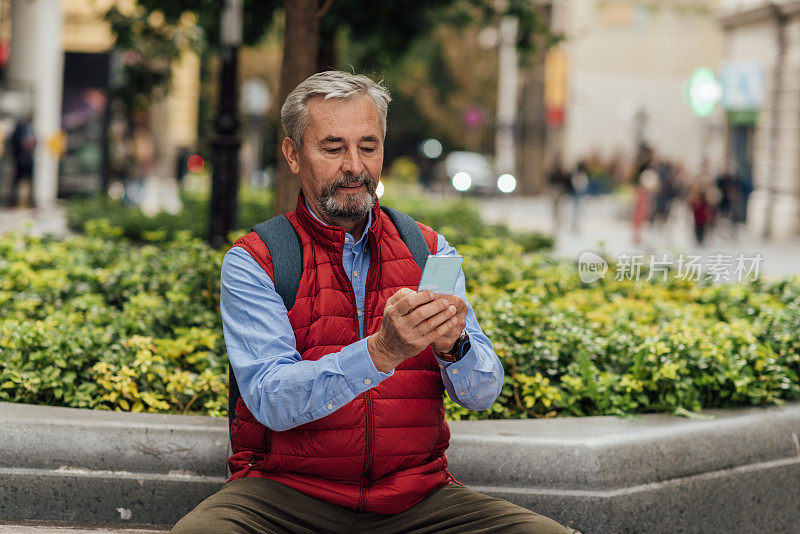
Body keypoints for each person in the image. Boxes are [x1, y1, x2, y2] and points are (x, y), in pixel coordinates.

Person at [172, 71, 570, 534]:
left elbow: (482, 394)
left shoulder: (428, 249)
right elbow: (270, 399)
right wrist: (381, 353)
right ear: (293, 155)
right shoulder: (256, 260)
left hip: (416, 499)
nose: (355, 166)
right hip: (283, 494)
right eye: (333, 147)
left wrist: (454, 347)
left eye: (368, 146)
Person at [9, 115, 36, 207]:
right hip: (20, 158)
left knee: (30, 179)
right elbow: (14, 142)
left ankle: (29, 200)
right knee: (17, 180)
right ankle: (14, 200)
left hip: (28, 158)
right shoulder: (20, 128)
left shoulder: (31, 129)